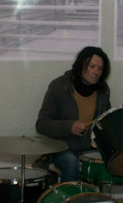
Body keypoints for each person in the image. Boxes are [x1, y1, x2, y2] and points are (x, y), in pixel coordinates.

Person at [35, 46, 112, 182]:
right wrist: (69, 126)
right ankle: (71, 196)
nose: (96, 72)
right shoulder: (59, 86)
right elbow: (41, 124)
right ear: (81, 65)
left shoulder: (103, 90)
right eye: (92, 67)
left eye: (100, 69)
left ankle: (93, 196)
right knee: (71, 162)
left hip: (90, 148)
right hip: (62, 148)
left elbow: (106, 122)